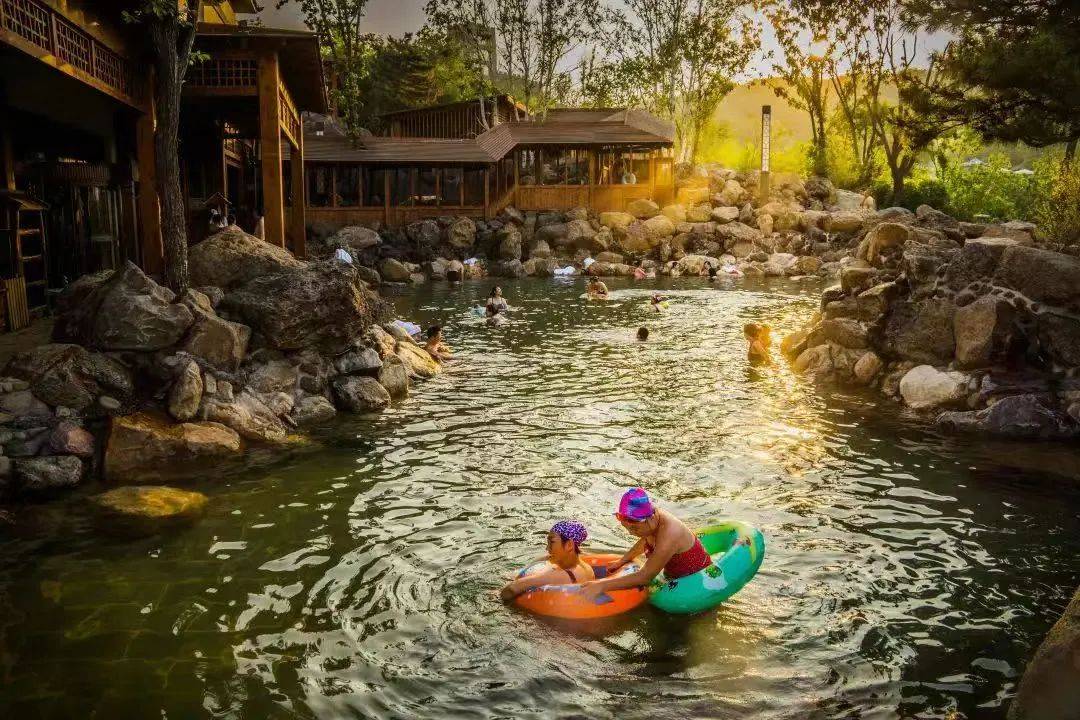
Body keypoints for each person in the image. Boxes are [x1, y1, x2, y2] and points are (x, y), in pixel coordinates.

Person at [576, 488, 712, 604]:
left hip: (698, 579)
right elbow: (644, 540)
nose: (630, 532)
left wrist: (601, 585)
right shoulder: (650, 522)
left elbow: (645, 577)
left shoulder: (670, 534)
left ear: (650, 519)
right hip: (673, 576)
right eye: (627, 528)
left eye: (634, 529)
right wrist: (622, 560)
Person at [500, 521, 596, 601]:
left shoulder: (559, 575)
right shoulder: (587, 567)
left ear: (569, 545)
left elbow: (512, 589)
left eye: (552, 542)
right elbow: (548, 558)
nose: (547, 548)